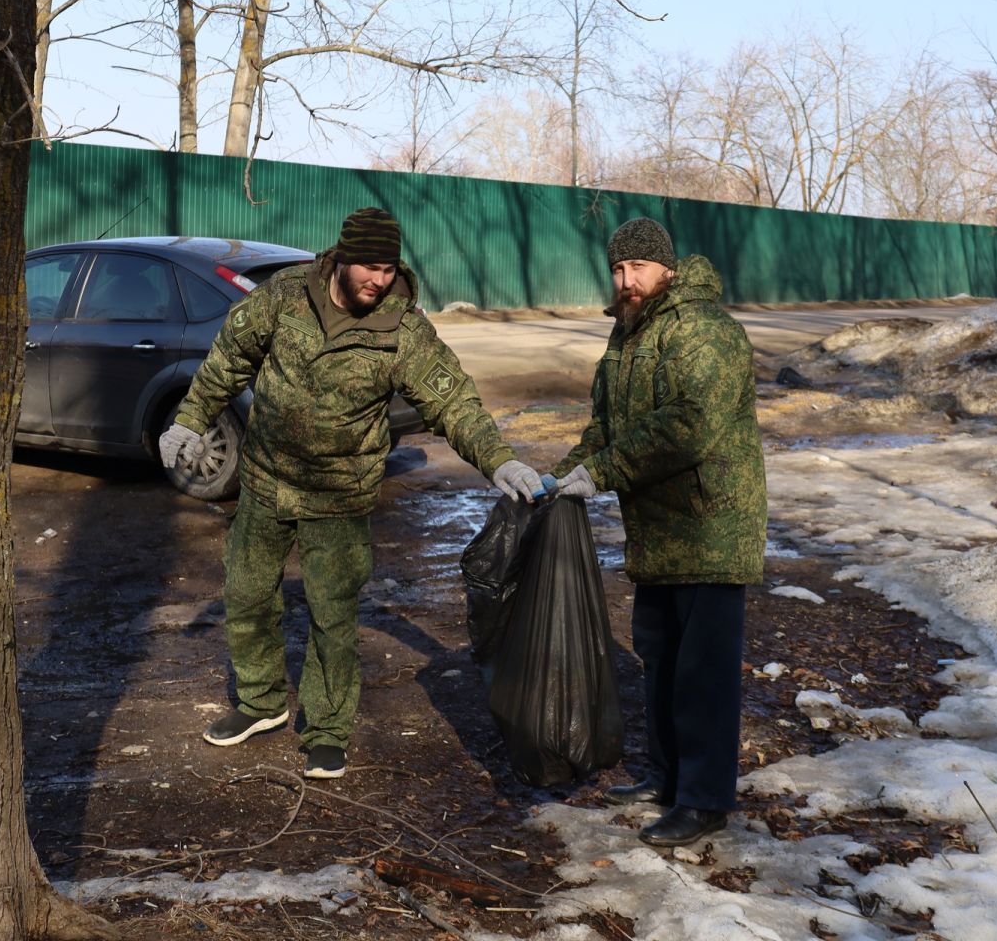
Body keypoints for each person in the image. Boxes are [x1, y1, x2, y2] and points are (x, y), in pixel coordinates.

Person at [160, 207, 542, 780]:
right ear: (340, 257)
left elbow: (452, 401)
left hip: (340, 495)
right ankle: (261, 703)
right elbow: (228, 359)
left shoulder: (402, 330)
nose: (379, 279)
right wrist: (191, 419)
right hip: (266, 480)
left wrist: (499, 459)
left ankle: (327, 730)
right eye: (369, 265)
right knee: (245, 595)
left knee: (332, 616)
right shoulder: (284, 295)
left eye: (389, 268)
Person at [549, 217, 767, 848]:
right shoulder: (626, 337)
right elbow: (605, 429)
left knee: (704, 671)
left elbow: (689, 425)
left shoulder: (706, 332)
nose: (626, 280)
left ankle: (704, 799)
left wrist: (604, 472)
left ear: (667, 268)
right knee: (661, 659)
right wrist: (559, 479)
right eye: (618, 269)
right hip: (660, 529)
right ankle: (668, 776)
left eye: (638, 268)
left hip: (710, 526)